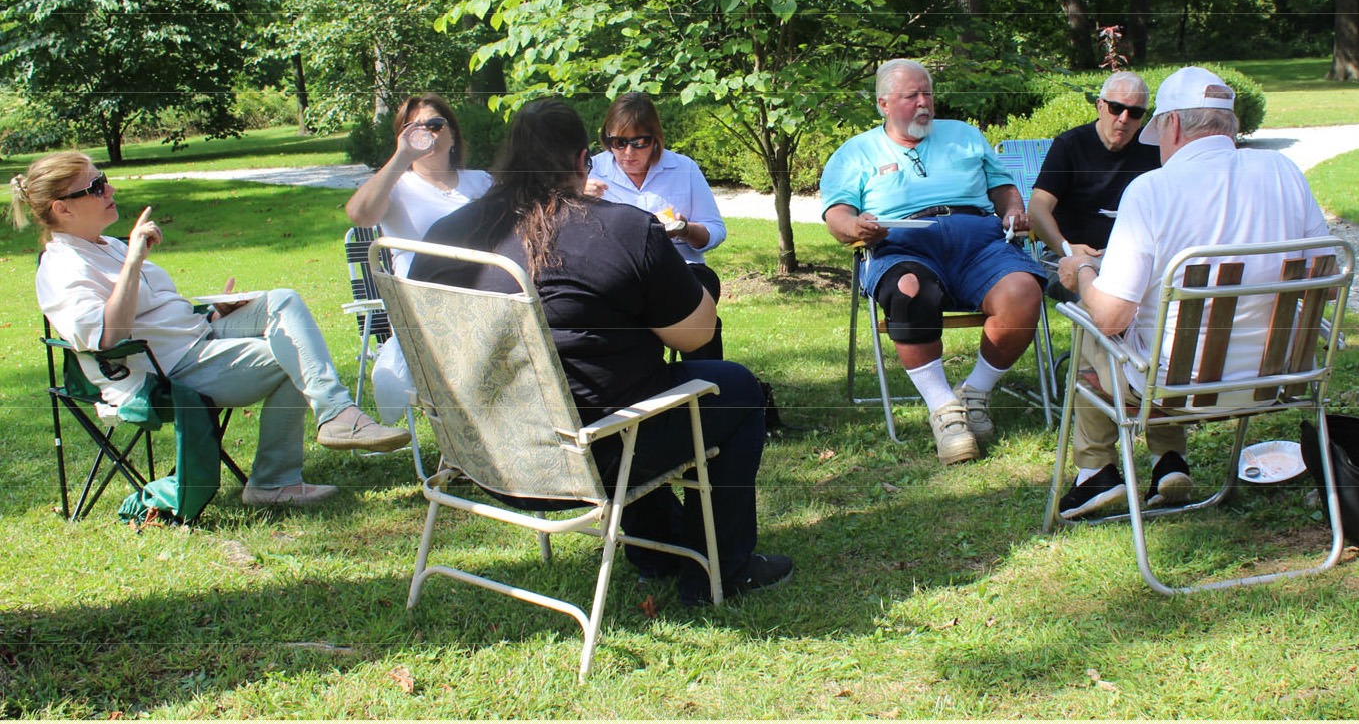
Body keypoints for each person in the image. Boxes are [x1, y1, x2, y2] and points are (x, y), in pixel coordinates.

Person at [410, 98, 793, 607]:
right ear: (582, 160)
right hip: (585, 460)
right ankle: (723, 570)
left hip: (482, 452)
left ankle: (659, 551)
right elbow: (696, 335)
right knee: (736, 388)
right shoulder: (623, 229)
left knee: (621, 389)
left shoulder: (446, 236)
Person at [14, 152, 412, 507]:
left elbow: (156, 315)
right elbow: (106, 338)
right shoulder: (63, 267)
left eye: (104, 180)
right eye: (96, 187)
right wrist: (134, 259)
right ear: (62, 209)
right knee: (294, 355)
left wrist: (213, 313)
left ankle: (334, 417)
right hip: (161, 374)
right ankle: (279, 477)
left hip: (198, 337)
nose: (110, 189)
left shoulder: (104, 246)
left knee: (284, 302)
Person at [1053, 66, 1333, 519]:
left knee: (1092, 326)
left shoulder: (1151, 190)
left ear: (1174, 125)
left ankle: (1096, 474)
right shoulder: (1284, 171)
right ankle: (1168, 461)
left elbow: (1110, 318)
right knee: (1146, 325)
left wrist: (1083, 269)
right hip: (1278, 374)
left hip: (1176, 385)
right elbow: (1327, 275)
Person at [819, 58, 1046, 465]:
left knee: (1024, 290)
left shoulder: (964, 135)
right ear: (883, 103)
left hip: (978, 239)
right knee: (909, 291)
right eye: (912, 96)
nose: (924, 103)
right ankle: (944, 410)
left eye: (928, 94)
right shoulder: (855, 153)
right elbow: (837, 216)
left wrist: (1013, 210)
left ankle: (975, 393)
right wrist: (857, 227)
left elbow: (1004, 187)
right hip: (903, 242)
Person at [345, 94, 492, 422]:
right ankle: (400, 358)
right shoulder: (398, 188)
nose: (427, 132)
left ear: (452, 134)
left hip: (486, 294)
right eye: (414, 127)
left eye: (435, 125)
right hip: (427, 304)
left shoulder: (481, 182)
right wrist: (402, 156)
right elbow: (359, 215)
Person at [584, 92, 728, 360]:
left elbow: (716, 230)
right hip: (618, 272)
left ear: (655, 140)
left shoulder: (682, 168)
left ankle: (708, 392)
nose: (627, 153)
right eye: (618, 142)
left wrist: (685, 228)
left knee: (696, 311)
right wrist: (578, 198)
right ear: (607, 139)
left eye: (639, 143)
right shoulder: (591, 171)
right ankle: (641, 387)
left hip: (681, 267)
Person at [1028, 71, 1162, 301]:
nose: (1124, 118)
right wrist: (1067, 248)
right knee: (1107, 294)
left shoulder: (1153, 149)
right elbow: (1037, 209)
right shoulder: (1070, 146)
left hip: (1136, 258)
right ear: (1100, 105)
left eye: (1135, 112)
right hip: (1068, 259)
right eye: (1116, 108)